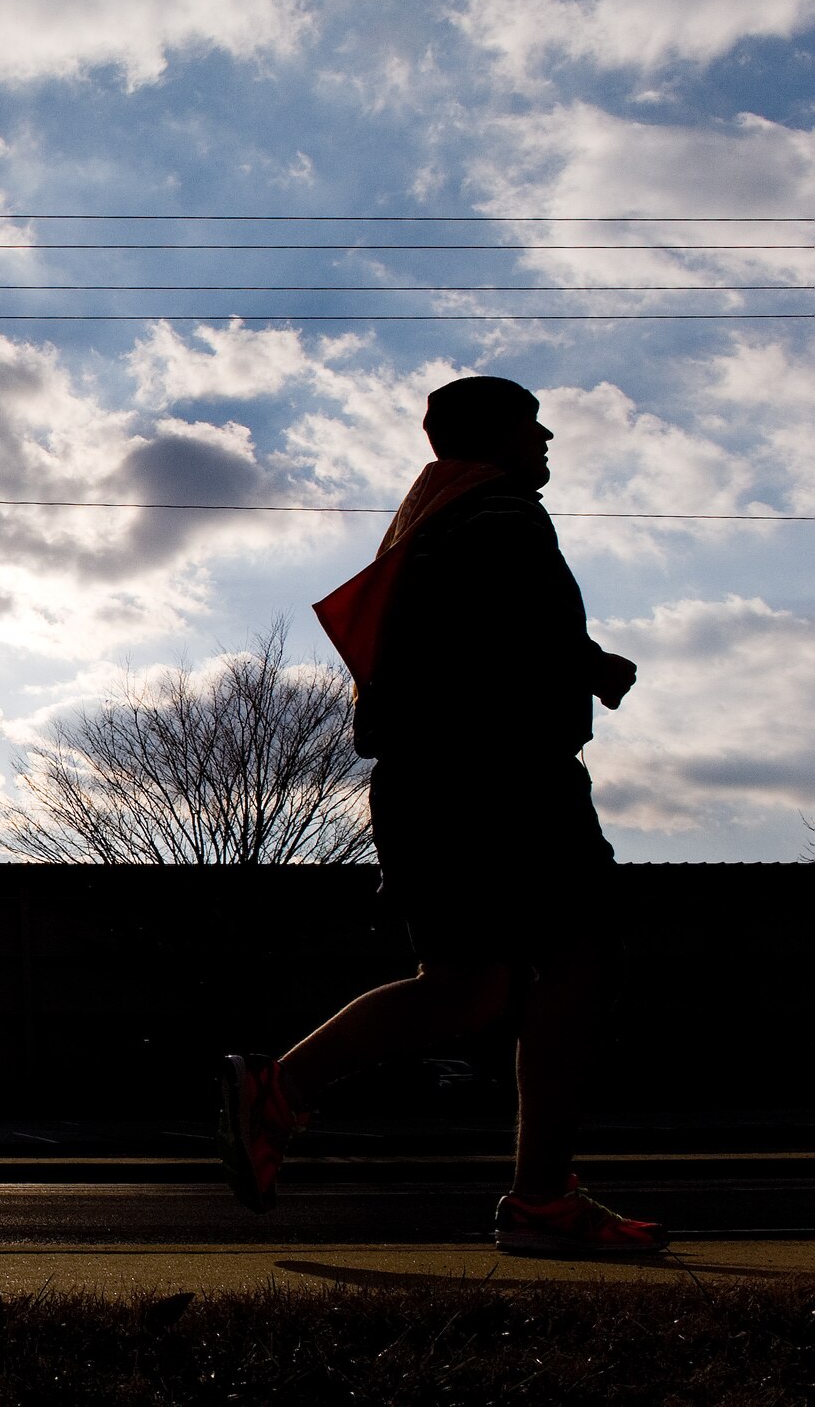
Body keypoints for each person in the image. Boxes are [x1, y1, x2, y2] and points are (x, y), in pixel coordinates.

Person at [218, 374, 666, 1257]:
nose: (546, 441)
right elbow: (516, 634)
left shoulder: (431, 522)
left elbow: (469, 634)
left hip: (426, 784)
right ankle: (542, 1200)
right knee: (580, 957)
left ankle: (280, 1088)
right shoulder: (503, 515)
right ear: (492, 436)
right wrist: (584, 664)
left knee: (470, 983)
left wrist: (582, 659)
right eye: (530, 426)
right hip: (504, 779)